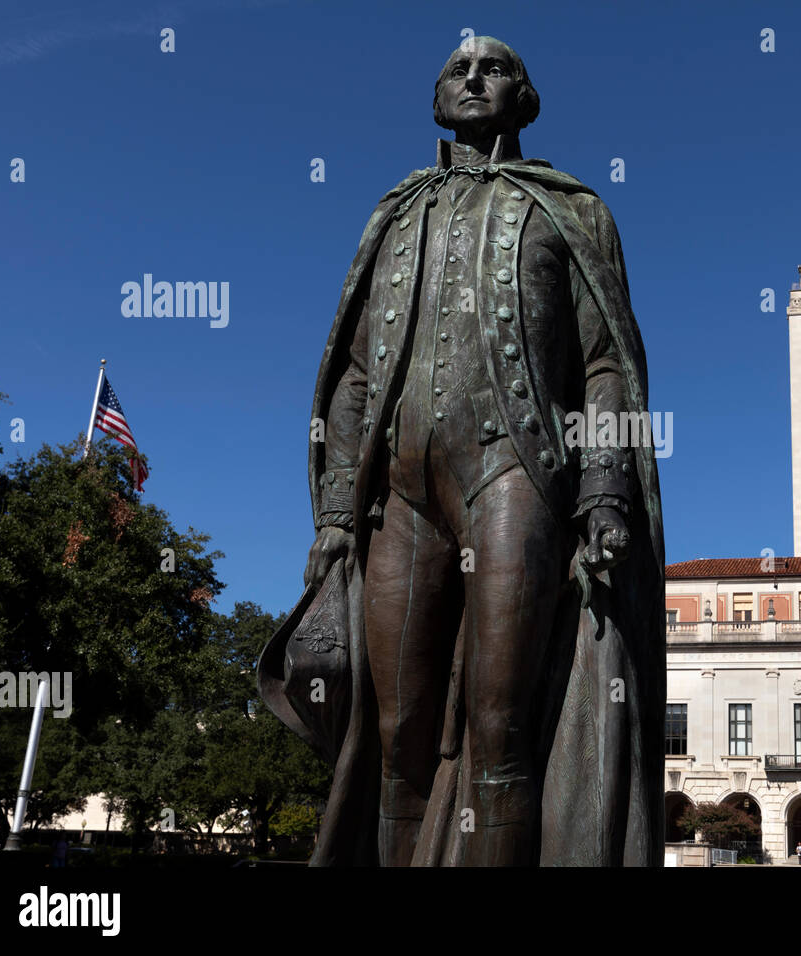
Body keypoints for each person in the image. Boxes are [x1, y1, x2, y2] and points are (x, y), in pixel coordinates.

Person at [260, 35, 664, 867]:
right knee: (396, 728)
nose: (474, 77)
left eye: (495, 68)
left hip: (514, 473)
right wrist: (337, 514)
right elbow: (355, 377)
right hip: (400, 493)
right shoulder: (397, 214)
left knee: (500, 721)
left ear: (526, 97)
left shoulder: (573, 209)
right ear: (437, 99)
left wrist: (605, 490)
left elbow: (601, 365)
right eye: (456, 70)